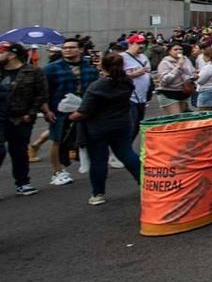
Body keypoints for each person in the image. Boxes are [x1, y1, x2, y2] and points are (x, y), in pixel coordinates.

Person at [67, 52, 141, 206]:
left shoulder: (97, 86)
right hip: (122, 124)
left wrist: (71, 116)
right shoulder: (126, 82)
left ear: (102, 66)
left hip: (98, 127)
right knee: (127, 154)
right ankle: (145, 182)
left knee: (99, 159)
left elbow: (83, 111)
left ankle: (98, 193)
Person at [42, 37, 99, 187]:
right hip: (58, 110)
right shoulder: (52, 68)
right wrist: (46, 110)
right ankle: (57, 171)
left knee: (88, 137)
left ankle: (90, 164)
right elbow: (43, 92)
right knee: (57, 140)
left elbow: (94, 89)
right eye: (65, 47)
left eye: (72, 47)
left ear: (80, 49)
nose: (68, 50)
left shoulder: (89, 68)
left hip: (84, 109)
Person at [0, 42, 49, 196]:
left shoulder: (33, 72)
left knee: (19, 152)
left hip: (21, 118)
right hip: (0, 117)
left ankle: (23, 182)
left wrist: (31, 113)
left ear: (11, 54)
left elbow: (41, 94)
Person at [121, 35, 153, 139]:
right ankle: (124, 151)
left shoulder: (144, 57)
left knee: (137, 127)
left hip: (142, 98)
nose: (141, 46)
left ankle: (127, 149)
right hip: (129, 98)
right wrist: (133, 74)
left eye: (143, 43)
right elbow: (114, 76)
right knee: (130, 127)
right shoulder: (122, 58)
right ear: (130, 44)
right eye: (138, 43)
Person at [155, 43, 196, 116]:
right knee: (176, 117)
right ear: (169, 51)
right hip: (169, 92)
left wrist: (193, 77)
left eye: (180, 49)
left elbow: (191, 72)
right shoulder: (165, 62)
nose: (179, 51)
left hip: (183, 91)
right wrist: (178, 67)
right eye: (175, 49)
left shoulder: (186, 60)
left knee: (183, 116)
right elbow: (165, 80)